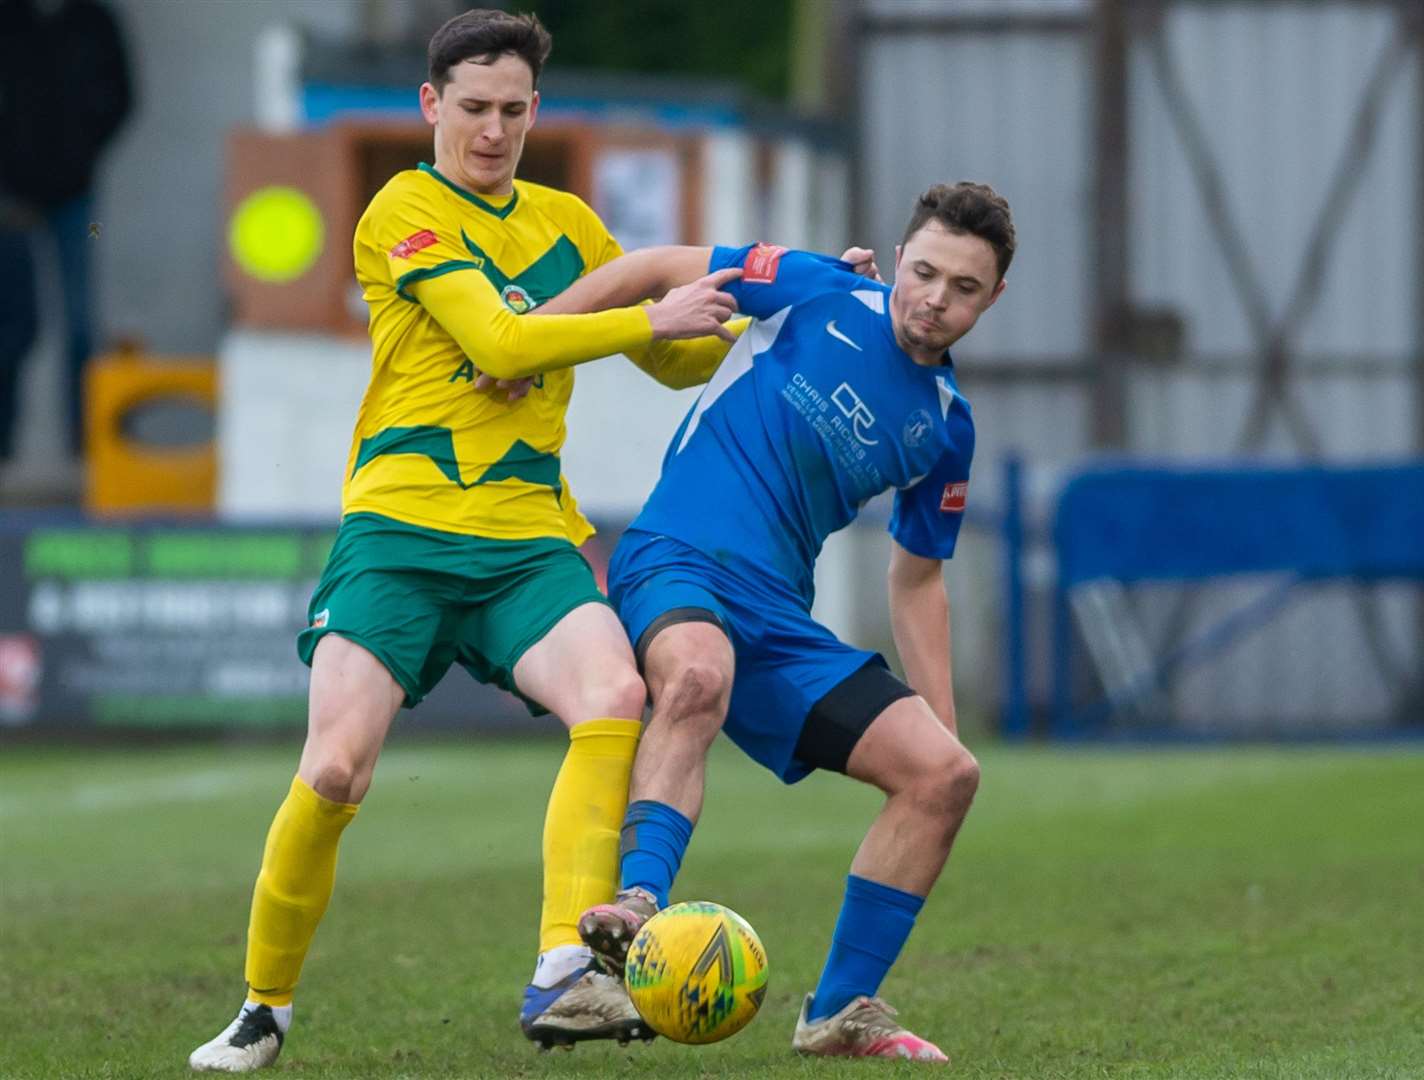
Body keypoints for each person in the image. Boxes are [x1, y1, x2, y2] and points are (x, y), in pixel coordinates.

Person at [188, 9, 748, 1071]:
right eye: (472, 109)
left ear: (536, 111)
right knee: (340, 769)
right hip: (398, 532)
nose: (491, 131)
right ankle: (265, 1006)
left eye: (511, 111)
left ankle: (563, 973)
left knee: (615, 696)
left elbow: (674, 362)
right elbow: (501, 337)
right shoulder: (401, 208)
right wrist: (645, 314)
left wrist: (747, 304)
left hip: (525, 538)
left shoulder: (568, 222)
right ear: (430, 106)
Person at [554, 182, 1015, 1062]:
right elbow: (652, 268)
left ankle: (839, 1011)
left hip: (777, 619)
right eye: (923, 272)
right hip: (674, 557)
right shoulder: (817, 288)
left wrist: (942, 726)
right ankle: (636, 914)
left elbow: (917, 581)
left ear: (993, 298)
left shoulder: (946, 428)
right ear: (899, 256)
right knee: (696, 676)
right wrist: (531, 344)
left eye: (963, 287)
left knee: (944, 776)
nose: (934, 299)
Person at [0, 0, 132, 474]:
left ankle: (86, 444)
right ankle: (4, 445)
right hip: (9, 197)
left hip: (78, 200)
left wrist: (83, 147)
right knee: (12, 323)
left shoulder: (93, 21)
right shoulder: (9, 20)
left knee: (81, 320)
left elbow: (122, 95)